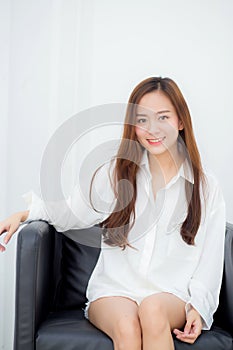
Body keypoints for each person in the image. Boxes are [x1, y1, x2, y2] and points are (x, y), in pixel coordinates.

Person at [0, 77, 226, 350]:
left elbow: (211, 258)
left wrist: (198, 309)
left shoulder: (205, 186)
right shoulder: (117, 173)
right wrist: (25, 214)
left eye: (162, 117)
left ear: (180, 121)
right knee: (127, 327)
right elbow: (73, 211)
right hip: (114, 291)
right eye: (142, 120)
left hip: (171, 295)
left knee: (153, 312)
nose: (151, 129)